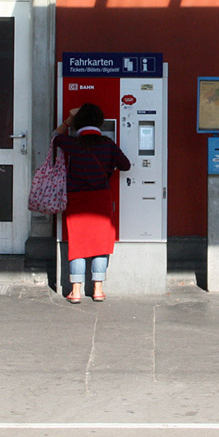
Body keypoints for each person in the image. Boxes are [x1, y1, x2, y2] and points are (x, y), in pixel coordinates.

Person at [53, 103, 131, 303]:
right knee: (100, 243)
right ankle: (98, 289)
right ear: (99, 122)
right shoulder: (108, 144)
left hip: (77, 199)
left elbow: (56, 136)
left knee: (78, 242)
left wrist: (69, 119)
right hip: (101, 199)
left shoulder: (73, 143)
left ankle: (76, 291)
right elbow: (126, 165)